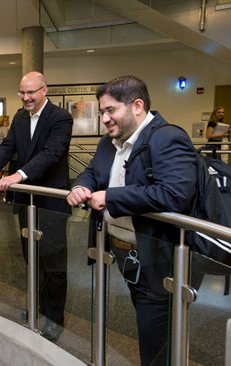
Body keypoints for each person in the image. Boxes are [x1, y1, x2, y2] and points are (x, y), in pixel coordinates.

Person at [66, 75, 197, 366]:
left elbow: (175, 194)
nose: (105, 118)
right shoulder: (109, 142)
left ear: (137, 105)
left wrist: (111, 197)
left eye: (111, 110)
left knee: (157, 335)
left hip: (161, 257)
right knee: (149, 326)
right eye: (102, 112)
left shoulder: (166, 137)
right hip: (128, 253)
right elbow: (91, 171)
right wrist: (80, 186)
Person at [0, 71, 73, 342]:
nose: (26, 98)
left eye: (31, 92)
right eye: (22, 93)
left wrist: (18, 175)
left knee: (52, 262)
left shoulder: (60, 117)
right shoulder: (19, 117)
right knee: (32, 258)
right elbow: (8, 146)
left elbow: (51, 154)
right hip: (26, 202)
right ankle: (36, 306)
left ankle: (54, 317)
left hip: (50, 201)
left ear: (44, 90)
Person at [0, 114, 10, 184]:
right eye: (6, 121)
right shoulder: (6, 129)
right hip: (5, 151)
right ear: (2, 122)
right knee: (6, 171)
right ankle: (5, 187)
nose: (8, 122)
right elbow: (7, 138)